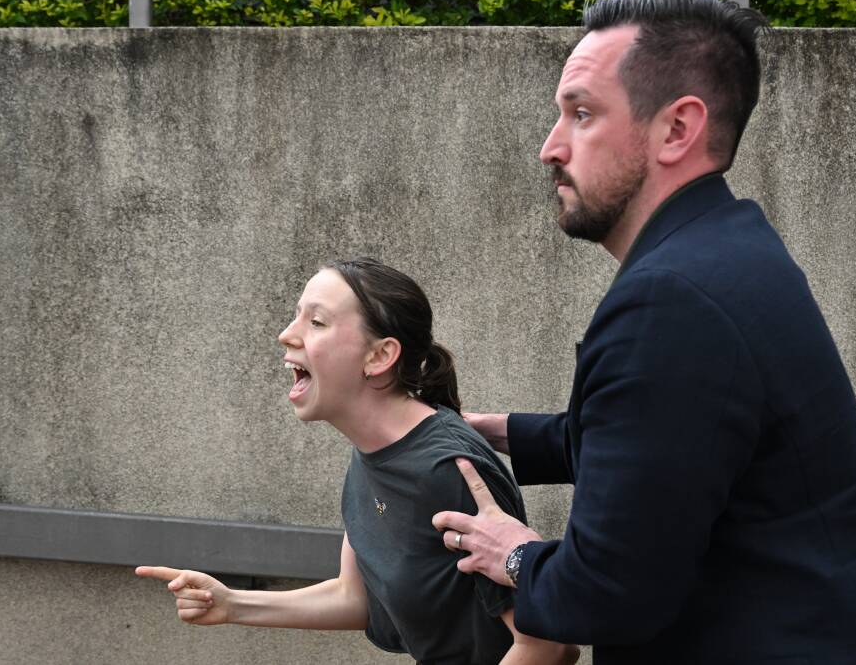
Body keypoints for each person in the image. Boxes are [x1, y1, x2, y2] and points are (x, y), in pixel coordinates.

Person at [431, 0, 856, 663]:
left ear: (678, 129)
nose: (551, 146)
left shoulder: (671, 300)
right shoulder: (729, 247)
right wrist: (483, 428)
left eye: (581, 113)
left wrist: (516, 555)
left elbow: (608, 593)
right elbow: (648, 440)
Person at [136, 258, 578, 665]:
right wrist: (232, 604)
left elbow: (547, 644)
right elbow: (356, 597)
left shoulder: (448, 470)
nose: (287, 334)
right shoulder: (372, 451)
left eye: (316, 322)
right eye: (297, 316)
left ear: (380, 356)